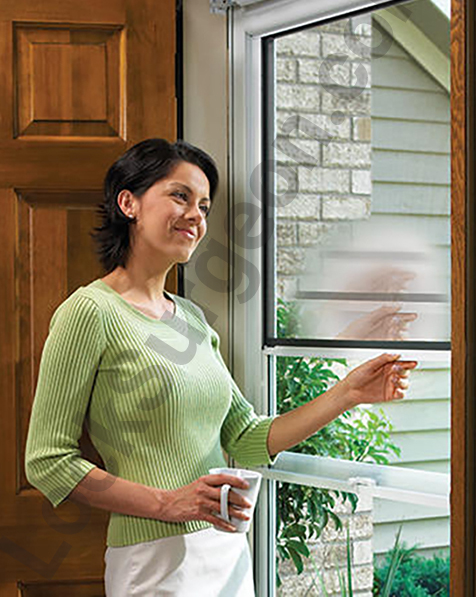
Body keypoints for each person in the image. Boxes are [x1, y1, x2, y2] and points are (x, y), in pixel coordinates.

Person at [24, 138, 416, 596]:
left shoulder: (190, 319)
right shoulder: (89, 313)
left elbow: (247, 439)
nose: (196, 215)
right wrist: (170, 503)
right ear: (128, 203)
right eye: (180, 196)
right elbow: (47, 462)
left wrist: (346, 394)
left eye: (204, 206)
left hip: (225, 552)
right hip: (153, 563)